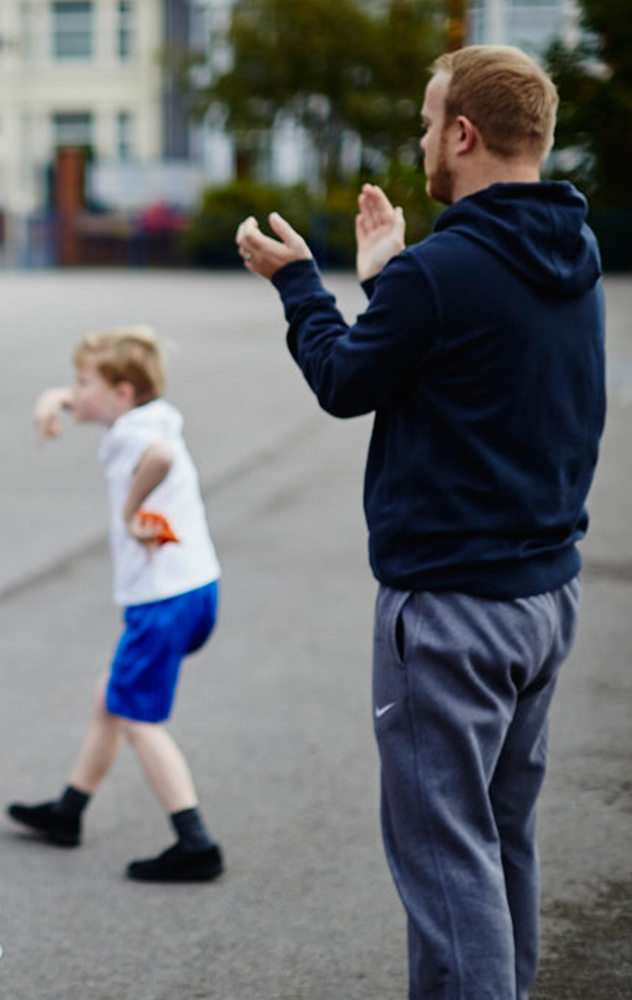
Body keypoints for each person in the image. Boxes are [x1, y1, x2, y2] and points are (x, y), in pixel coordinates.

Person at [235, 45, 604, 1000]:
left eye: (428, 122)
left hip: (449, 615)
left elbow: (345, 381)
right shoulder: (574, 251)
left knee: (445, 862)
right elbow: (455, 358)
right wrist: (388, 278)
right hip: (544, 600)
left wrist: (298, 284)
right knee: (497, 842)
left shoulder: (439, 273)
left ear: (464, 134)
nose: (421, 139)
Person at [6, 326, 225, 882]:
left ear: (122, 394)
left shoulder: (136, 436)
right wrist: (52, 400)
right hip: (197, 589)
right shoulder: (155, 412)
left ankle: (195, 842)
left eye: (84, 383)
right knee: (112, 695)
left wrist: (131, 511)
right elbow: (137, 427)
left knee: (137, 717)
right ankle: (68, 812)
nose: (75, 393)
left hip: (161, 602)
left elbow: (160, 459)